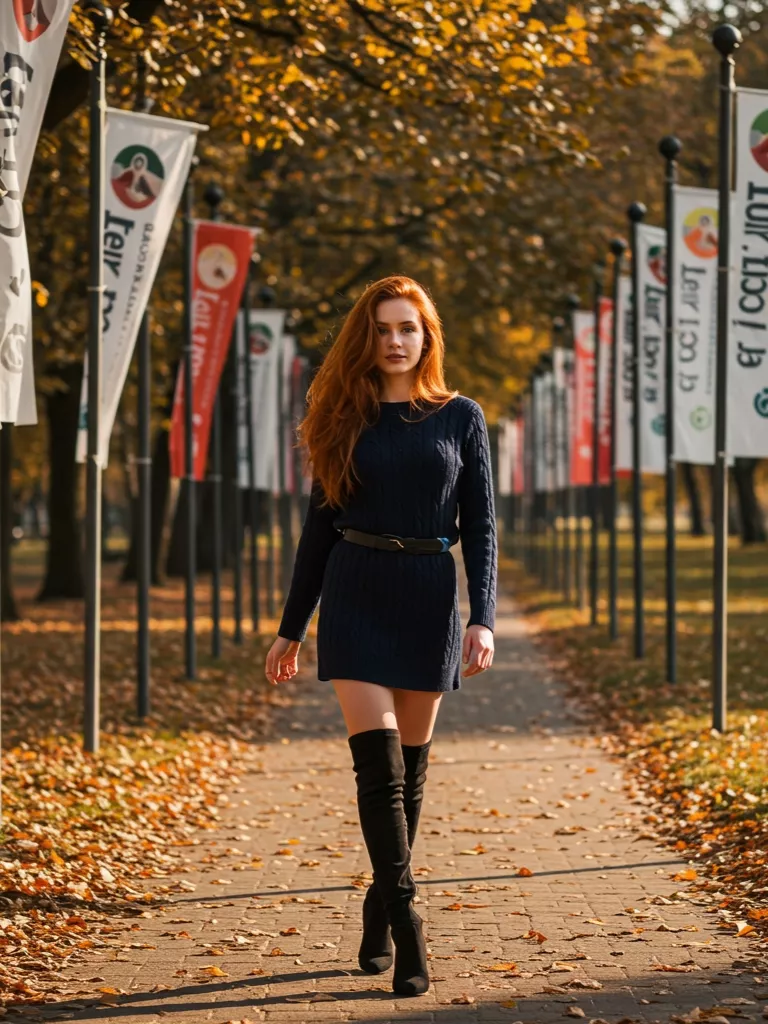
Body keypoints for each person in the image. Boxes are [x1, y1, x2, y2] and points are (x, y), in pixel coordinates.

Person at [264, 275, 497, 997]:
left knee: (410, 774)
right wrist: (291, 628)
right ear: (366, 339)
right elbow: (317, 530)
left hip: (429, 595)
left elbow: (481, 524)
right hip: (355, 591)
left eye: (408, 328)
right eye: (383, 329)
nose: (395, 341)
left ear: (427, 337)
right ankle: (407, 921)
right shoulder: (341, 416)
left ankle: (377, 902)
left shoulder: (461, 416)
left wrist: (483, 616)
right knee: (380, 771)